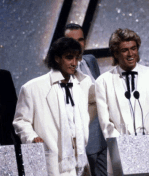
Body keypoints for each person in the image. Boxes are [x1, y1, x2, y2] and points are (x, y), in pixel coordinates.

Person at [13, 37, 93, 176]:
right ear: (57, 58)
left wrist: (84, 124)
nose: (74, 63)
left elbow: (92, 106)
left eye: (76, 58)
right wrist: (32, 137)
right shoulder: (33, 88)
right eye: (69, 58)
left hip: (80, 163)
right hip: (53, 162)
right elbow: (20, 121)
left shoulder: (83, 84)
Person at [95, 28, 149, 175]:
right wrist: (125, 149)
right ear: (115, 53)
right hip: (119, 154)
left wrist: (147, 144)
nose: (130, 54)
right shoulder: (103, 82)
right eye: (124, 50)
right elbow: (106, 124)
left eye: (133, 48)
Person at [64, 23, 107, 176]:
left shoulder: (90, 60)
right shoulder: (61, 70)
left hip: (101, 137)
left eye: (81, 39)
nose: (78, 44)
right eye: (72, 40)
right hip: (80, 143)